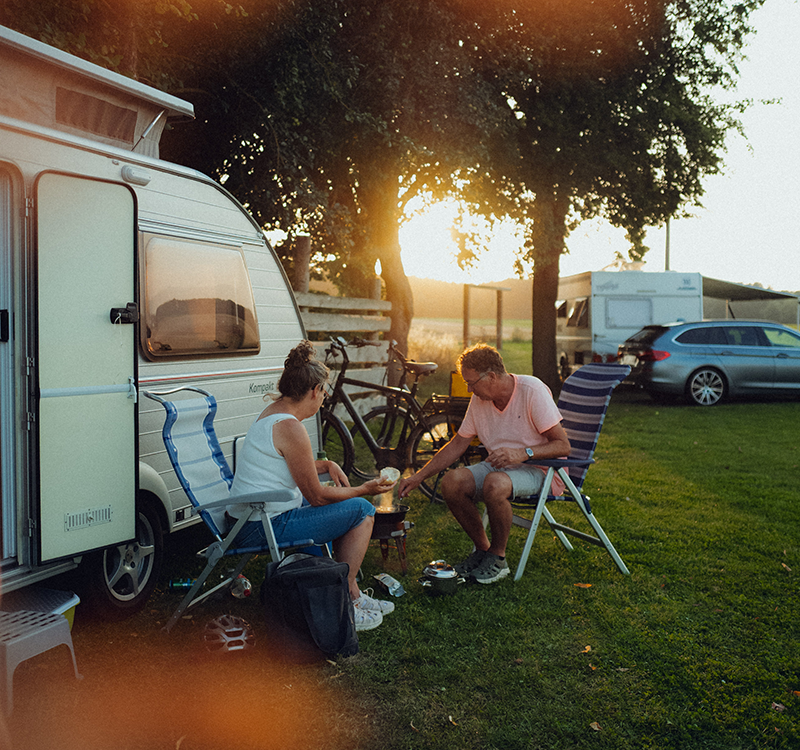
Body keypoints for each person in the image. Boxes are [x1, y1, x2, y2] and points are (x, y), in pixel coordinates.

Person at [227, 340, 397, 631]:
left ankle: (348, 592)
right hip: (260, 525)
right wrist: (364, 489)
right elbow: (316, 496)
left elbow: (287, 465)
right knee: (362, 510)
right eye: (324, 391)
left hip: (248, 518)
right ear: (315, 390)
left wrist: (327, 465)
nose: (324, 397)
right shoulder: (291, 427)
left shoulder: (274, 413)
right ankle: (346, 596)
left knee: (340, 503)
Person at [398, 343, 570, 584]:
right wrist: (418, 477)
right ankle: (483, 550)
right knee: (452, 482)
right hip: (501, 468)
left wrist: (523, 453)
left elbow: (563, 446)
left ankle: (499, 559)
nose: (468, 389)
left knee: (494, 483)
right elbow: (458, 444)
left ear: (491, 376)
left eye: (471, 383)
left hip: (541, 468)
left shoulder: (531, 390)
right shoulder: (481, 399)